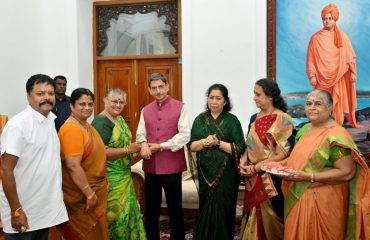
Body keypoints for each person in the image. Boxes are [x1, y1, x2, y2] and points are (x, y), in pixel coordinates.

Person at [281, 89, 370, 239]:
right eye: (308, 103)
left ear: (330, 108)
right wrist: (281, 164)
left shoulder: (336, 136)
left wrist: (309, 176)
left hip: (325, 199)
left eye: (318, 104)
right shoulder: (304, 129)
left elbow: (346, 172)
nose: (312, 107)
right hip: (298, 194)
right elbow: (300, 156)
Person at [0, 74, 68, 239]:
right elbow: (5, 170)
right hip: (23, 211)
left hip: (43, 210)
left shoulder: (50, 121)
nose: (47, 98)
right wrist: (16, 210)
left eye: (50, 93)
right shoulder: (18, 125)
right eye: (40, 93)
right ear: (28, 95)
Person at [136, 73, 190, 240]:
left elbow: (185, 135)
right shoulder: (145, 110)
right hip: (151, 166)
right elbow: (140, 134)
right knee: (151, 208)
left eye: (161, 87)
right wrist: (144, 143)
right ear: (149, 89)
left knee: (175, 207)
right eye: (154, 88)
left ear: (167, 86)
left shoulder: (181, 107)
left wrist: (161, 146)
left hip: (172, 166)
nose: (158, 91)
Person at [239, 78, 294, 240]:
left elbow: (281, 154)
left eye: (258, 94)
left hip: (272, 178)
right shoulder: (253, 118)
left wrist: (257, 167)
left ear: (270, 97)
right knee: (251, 217)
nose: (254, 98)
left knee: (274, 217)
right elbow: (248, 146)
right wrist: (243, 163)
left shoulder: (283, 119)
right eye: (254, 94)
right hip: (252, 177)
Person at [189, 83, 246, 240]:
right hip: (205, 173)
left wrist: (218, 143)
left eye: (218, 98)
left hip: (227, 174)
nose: (214, 101)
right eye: (211, 98)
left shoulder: (232, 121)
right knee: (206, 207)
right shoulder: (199, 120)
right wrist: (204, 142)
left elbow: (240, 147)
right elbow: (192, 146)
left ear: (225, 101)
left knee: (223, 208)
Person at [91, 88, 146, 239]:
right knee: (114, 216)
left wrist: (138, 150)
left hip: (124, 175)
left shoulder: (119, 119)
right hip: (110, 178)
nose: (118, 105)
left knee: (127, 214)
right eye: (114, 101)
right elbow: (99, 154)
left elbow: (123, 148)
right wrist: (129, 149)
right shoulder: (101, 122)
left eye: (121, 102)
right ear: (105, 101)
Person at [58, 88, 109, 240]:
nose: (87, 108)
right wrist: (89, 193)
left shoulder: (86, 126)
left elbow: (97, 156)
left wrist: (102, 181)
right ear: (72, 106)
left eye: (90, 104)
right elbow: (73, 165)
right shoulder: (71, 129)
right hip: (81, 196)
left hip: (94, 189)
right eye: (82, 104)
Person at [306, 3, 360, 128]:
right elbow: (310, 59)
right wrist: (312, 75)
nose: (327, 21)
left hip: (340, 75)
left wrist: (353, 72)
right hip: (321, 77)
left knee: (338, 102)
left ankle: (337, 127)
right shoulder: (315, 38)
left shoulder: (342, 37)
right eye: (324, 19)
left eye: (330, 18)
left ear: (335, 20)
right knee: (322, 103)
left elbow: (350, 57)